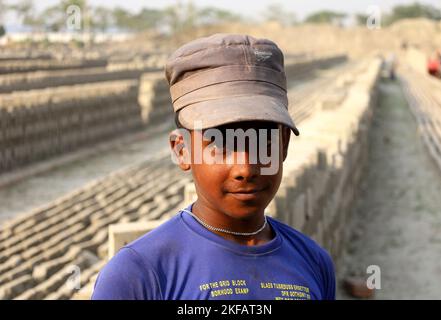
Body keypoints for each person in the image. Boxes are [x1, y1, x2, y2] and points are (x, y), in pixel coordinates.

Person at [91, 33, 336, 300]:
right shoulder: (139, 276)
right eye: (221, 144)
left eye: (264, 141)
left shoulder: (313, 262)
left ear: (284, 145)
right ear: (182, 150)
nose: (246, 168)